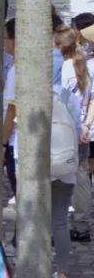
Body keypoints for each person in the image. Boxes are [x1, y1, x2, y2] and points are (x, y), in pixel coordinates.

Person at [57, 28, 94, 243]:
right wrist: (87, 125)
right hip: (82, 128)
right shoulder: (85, 68)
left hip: (68, 128)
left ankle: (59, 222)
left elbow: (63, 100)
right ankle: (82, 223)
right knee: (82, 177)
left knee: (61, 175)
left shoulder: (65, 68)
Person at [2, 18, 18, 201]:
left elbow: (12, 110)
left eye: (5, 38)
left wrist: (3, 143)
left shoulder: (16, 70)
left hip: (15, 142)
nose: (3, 42)